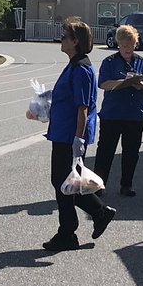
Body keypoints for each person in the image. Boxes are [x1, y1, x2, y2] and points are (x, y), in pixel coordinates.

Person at [39, 17, 116, 252]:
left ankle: (70, 231)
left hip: (69, 135)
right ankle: (97, 214)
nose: (61, 40)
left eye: (64, 36)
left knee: (63, 182)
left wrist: (78, 139)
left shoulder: (81, 68)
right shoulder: (74, 65)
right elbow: (66, 96)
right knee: (66, 182)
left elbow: (82, 107)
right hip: (62, 132)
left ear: (75, 41)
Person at [94, 24, 143, 198]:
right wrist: (122, 83)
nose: (127, 49)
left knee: (131, 152)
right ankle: (98, 185)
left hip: (135, 115)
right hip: (112, 114)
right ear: (118, 44)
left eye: (131, 45)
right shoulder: (109, 62)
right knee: (105, 151)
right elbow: (103, 84)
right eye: (124, 46)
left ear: (135, 44)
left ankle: (126, 185)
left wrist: (142, 85)